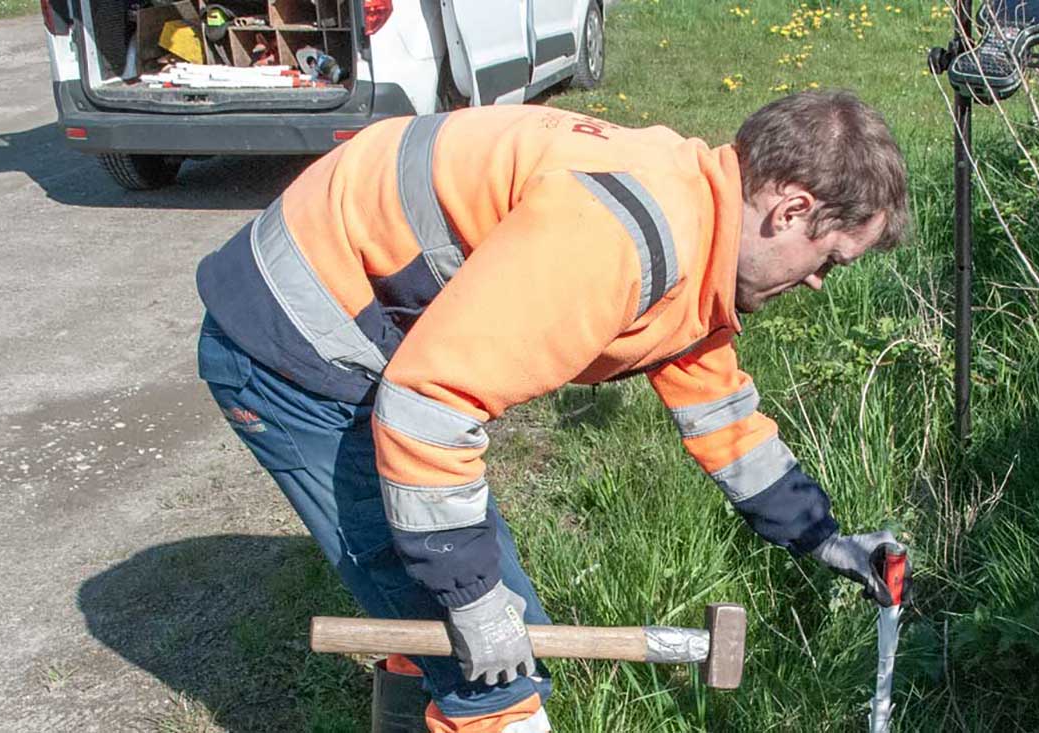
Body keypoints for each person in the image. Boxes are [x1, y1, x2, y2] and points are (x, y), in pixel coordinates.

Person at [195, 90, 910, 733]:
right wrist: (471, 600)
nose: (819, 281)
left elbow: (721, 412)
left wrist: (824, 539)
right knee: (497, 673)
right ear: (791, 209)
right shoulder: (618, 240)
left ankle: (426, 678)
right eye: (831, 259)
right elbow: (426, 410)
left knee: (473, 627)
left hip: (372, 333)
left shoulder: (697, 220)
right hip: (297, 338)